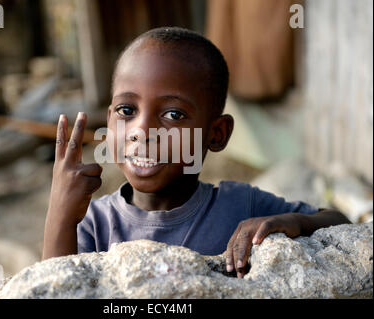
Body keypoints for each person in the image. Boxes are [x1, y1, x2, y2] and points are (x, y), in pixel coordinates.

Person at [42, 27, 350, 278]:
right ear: (109, 121)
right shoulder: (94, 222)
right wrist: (59, 213)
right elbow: (55, 285)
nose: (142, 130)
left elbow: (339, 221)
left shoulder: (241, 207)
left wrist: (289, 222)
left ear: (217, 134)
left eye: (173, 115)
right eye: (126, 110)